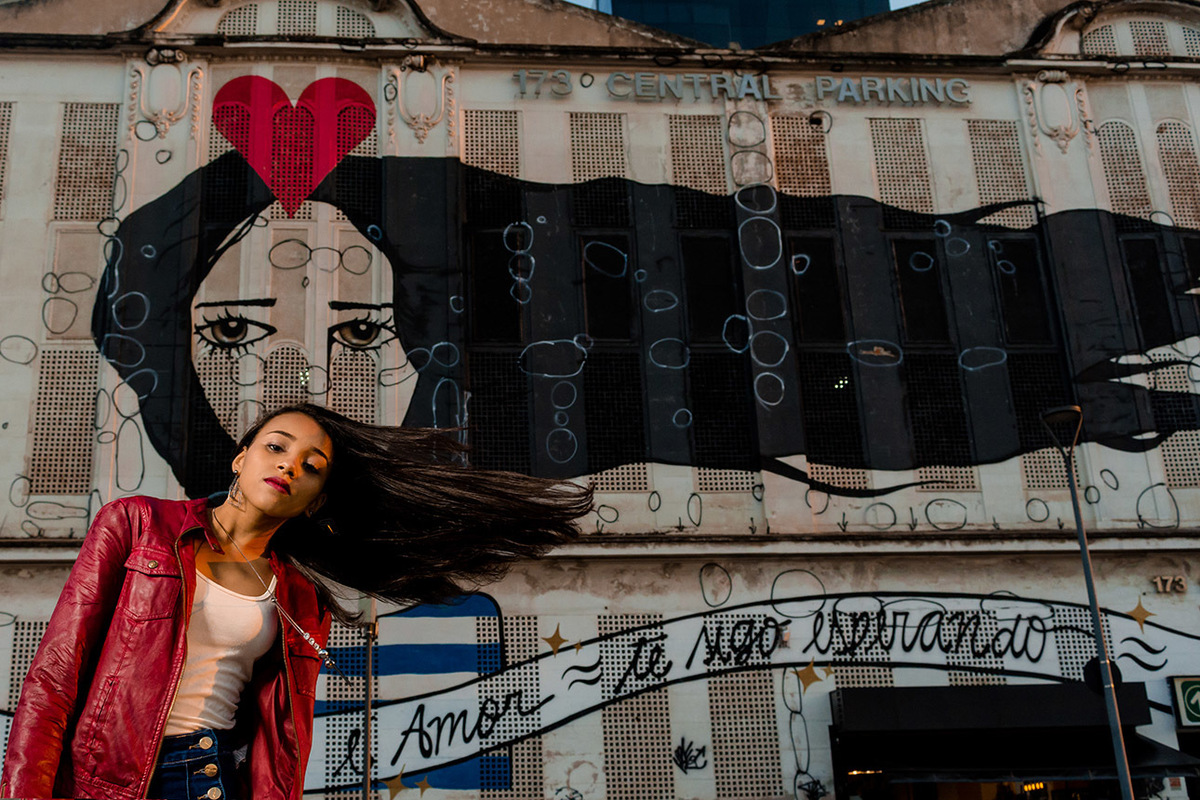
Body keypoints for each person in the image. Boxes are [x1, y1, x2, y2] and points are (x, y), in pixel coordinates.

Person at [0, 402, 592, 800]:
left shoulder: (300, 597)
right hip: (100, 775)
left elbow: (284, 739)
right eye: (276, 447)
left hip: (206, 778)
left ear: (314, 500)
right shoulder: (137, 524)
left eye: (311, 466)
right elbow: (55, 675)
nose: (289, 465)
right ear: (242, 458)